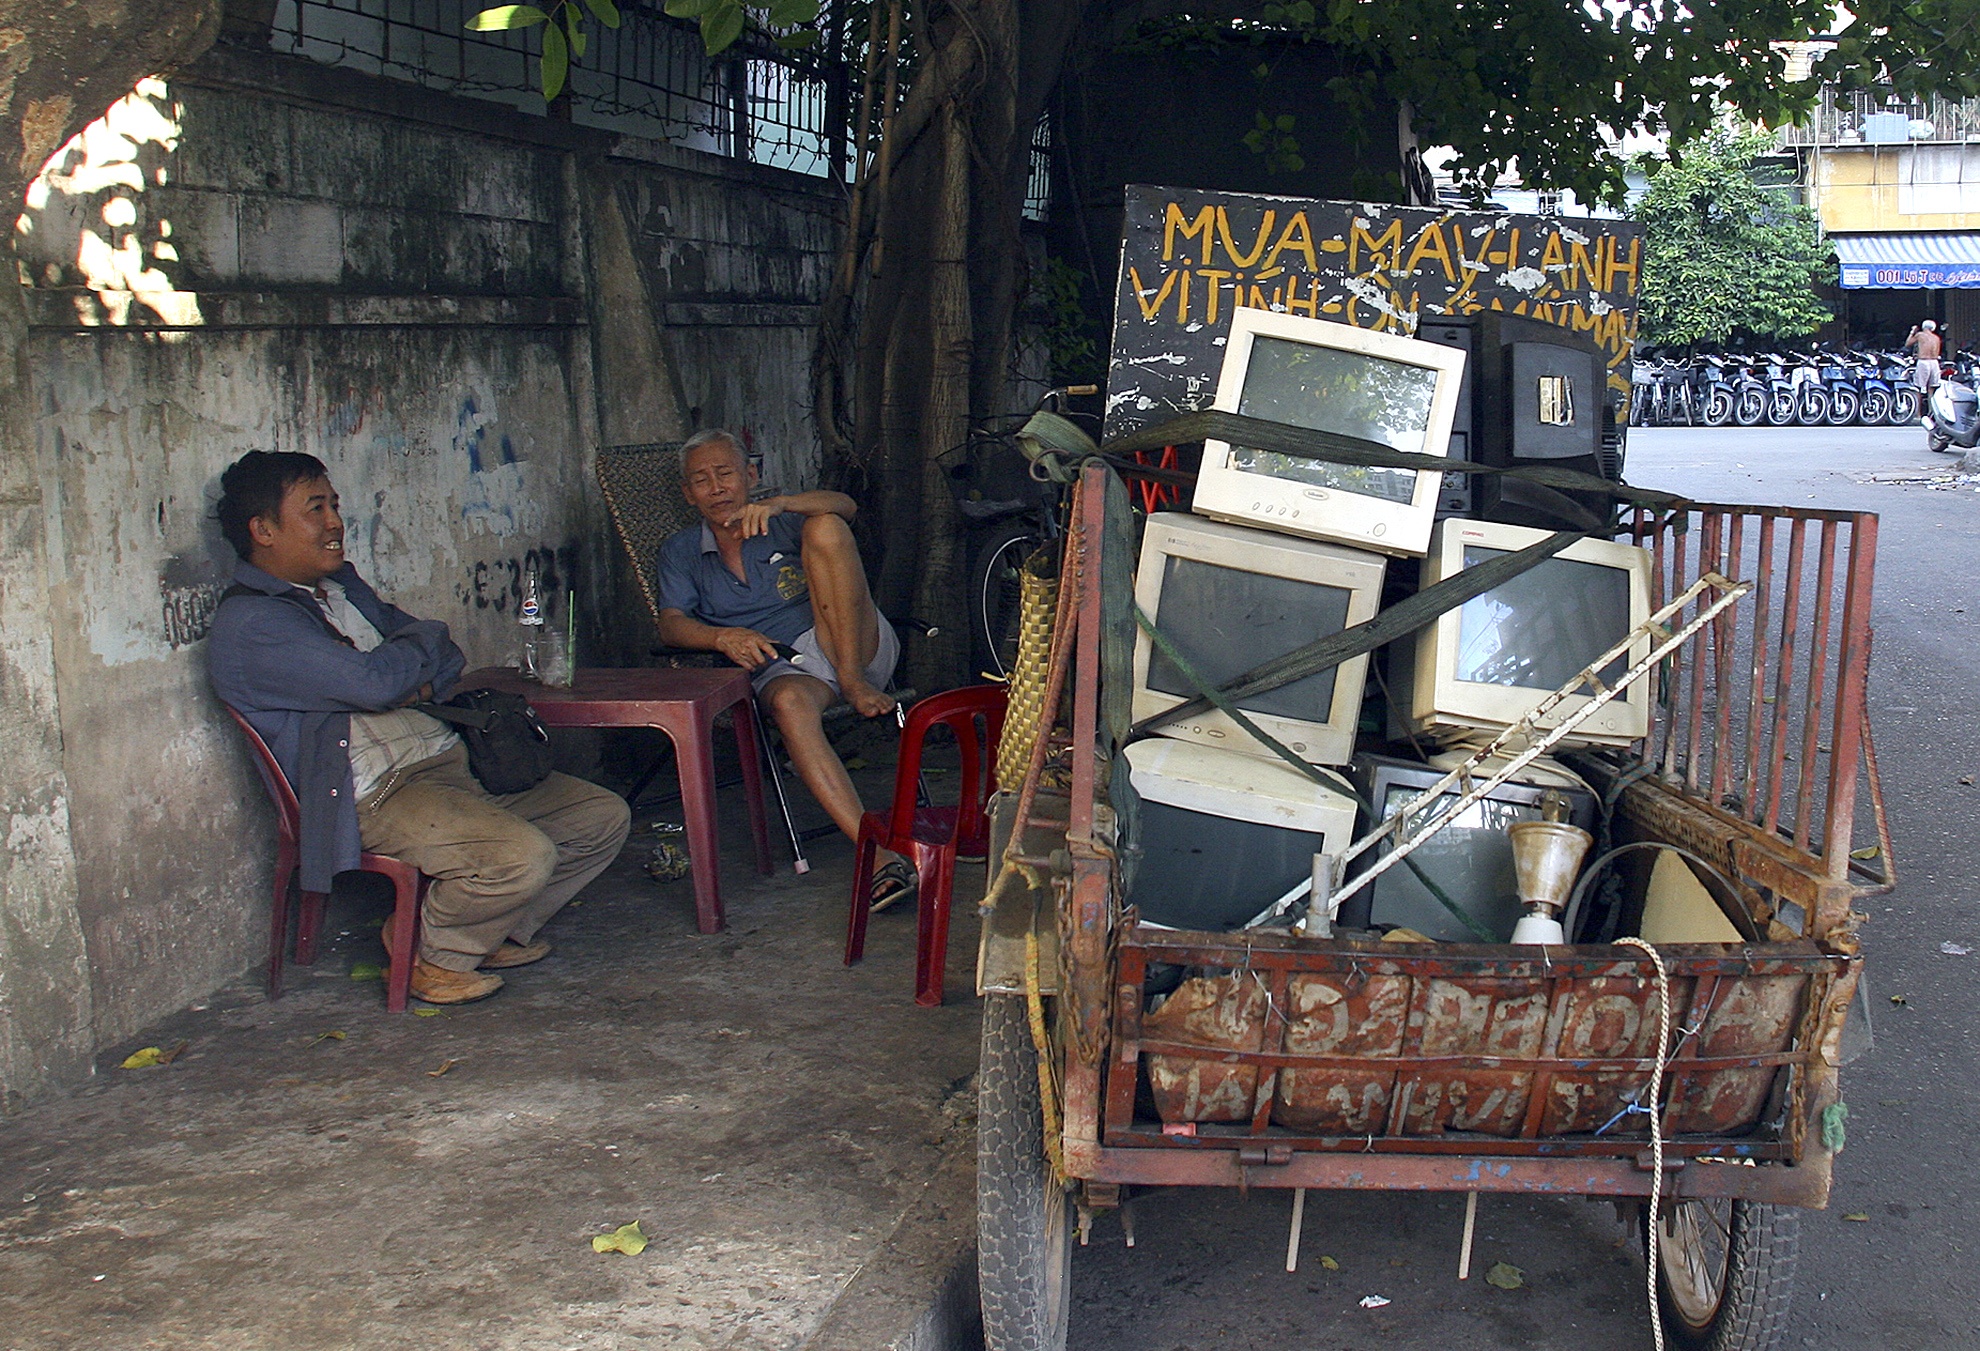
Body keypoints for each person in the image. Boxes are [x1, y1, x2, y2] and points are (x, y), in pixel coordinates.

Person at [208, 451, 631, 1005]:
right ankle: (433, 958)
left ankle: (487, 930)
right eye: (316, 509)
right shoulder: (255, 624)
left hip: (445, 763)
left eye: (334, 505)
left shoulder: (340, 588)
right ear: (263, 530)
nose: (335, 522)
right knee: (521, 856)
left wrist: (405, 667)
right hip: (380, 793)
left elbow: (438, 645)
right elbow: (378, 681)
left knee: (600, 818)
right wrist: (400, 670)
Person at [654, 429, 915, 909]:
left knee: (827, 526)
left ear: (750, 476)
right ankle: (875, 853)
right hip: (785, 666)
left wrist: (784, 505)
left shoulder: (783, 520)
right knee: (790, 705)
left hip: (849, 638)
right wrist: (720, 637)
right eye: (701, 480)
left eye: (726, 473)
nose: (716, 487)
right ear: (689, 494)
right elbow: (670, 625)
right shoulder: (680, 551)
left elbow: (847, 507)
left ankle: (854, 678)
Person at [1905, 319, 1943, 397]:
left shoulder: (1920, 335)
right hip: (1935, 363)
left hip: (1924, 362)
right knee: (1931, 389)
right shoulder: (1936, 338)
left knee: (1918, 388)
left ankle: (1919, 409)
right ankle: (1931, 408)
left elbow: (1907, 344)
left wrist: (1912, 331)